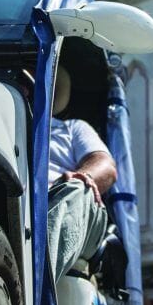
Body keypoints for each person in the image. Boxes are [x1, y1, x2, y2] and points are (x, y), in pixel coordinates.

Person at [47, 66, 117, 282]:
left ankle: (37, 289)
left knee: (77, 188)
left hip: (69, 201)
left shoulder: (72, 128)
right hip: (22, 200)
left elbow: (105, 166)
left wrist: (81, 176)